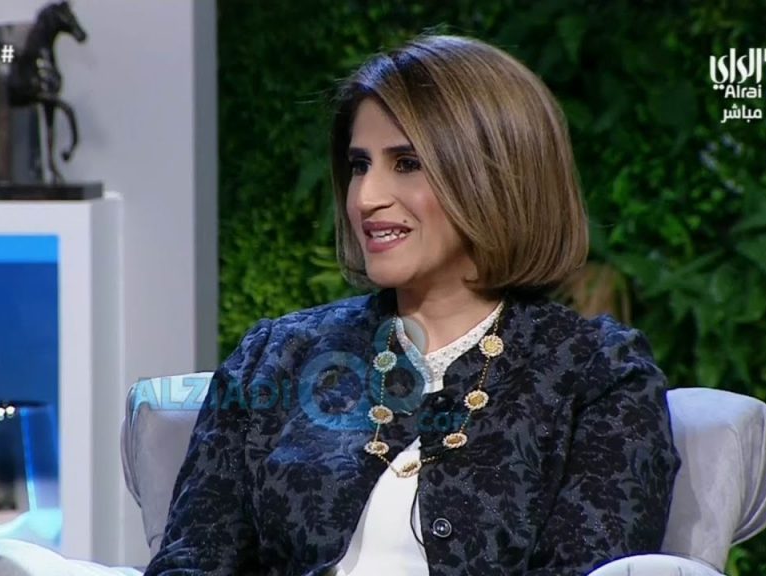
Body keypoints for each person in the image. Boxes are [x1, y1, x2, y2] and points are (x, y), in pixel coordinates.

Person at [143, 34, 680, 576]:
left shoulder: (597, 373)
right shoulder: (276, 355)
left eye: (406, 163)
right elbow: (190, 561)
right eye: (359, 165)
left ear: (494, 176)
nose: (366, 197)